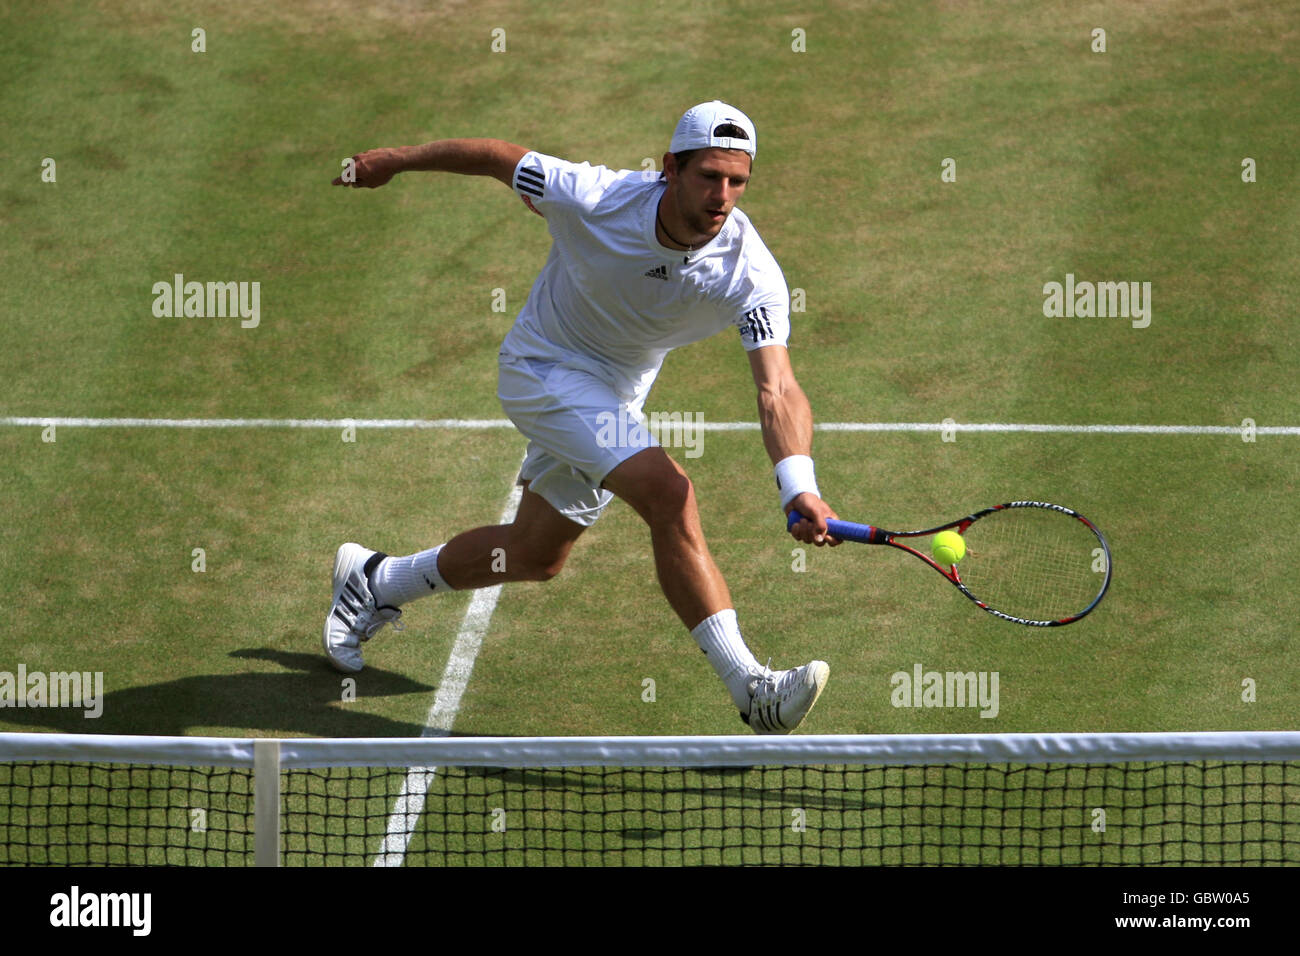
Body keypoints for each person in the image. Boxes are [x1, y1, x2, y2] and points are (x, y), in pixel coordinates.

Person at [326, 101, 840, 733]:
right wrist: (393, 162)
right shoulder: (593, 198)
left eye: (737, 181)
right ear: (670, 167)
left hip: (615, 394)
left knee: (535, 553)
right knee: (669, 494)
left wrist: (798, 485)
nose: (722, 196)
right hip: (542, 368)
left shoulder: (750, 272)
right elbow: (497, 158)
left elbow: (777, 386)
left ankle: (376, 581)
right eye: (709, 176)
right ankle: (751, 688)